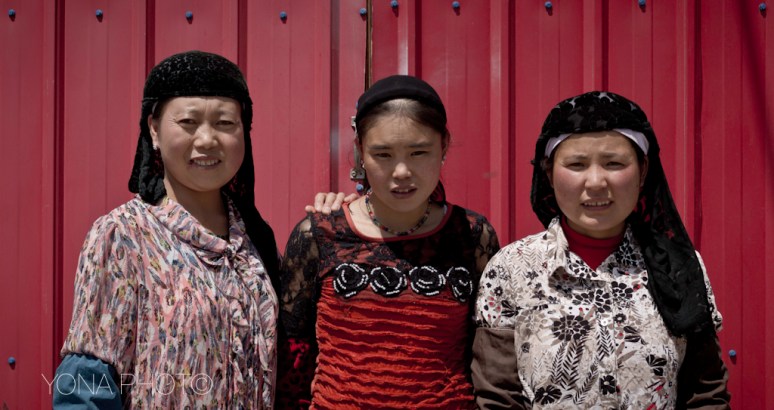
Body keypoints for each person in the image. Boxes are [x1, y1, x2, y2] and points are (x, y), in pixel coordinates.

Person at [472, 91, 730, 408]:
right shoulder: (512, 270)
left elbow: (705, 394)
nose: (595, 182)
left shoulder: (678, 268)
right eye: (576, 164)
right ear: (549, 172)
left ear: (643, 170)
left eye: (614, 163)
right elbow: (497, 397)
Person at [54, 50, 281, 408]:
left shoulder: (255, 240)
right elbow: (86, 385)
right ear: (154, 129)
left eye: (225, 123)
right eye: (189, 122)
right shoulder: (123, 236)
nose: (207, 140)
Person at [277, 75, 500, 409]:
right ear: (360, 152)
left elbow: (488, 355)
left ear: (444, 146)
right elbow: (292, 357)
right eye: (382, 154)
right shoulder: (320, 235)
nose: (401, 171)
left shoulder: (472, 235)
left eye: (419, 152)